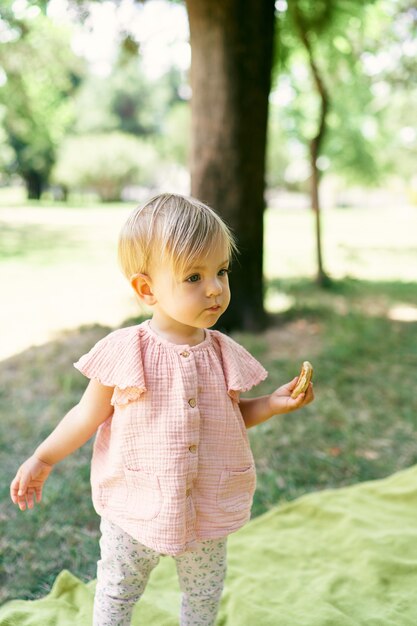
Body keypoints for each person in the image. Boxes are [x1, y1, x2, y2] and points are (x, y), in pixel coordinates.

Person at [10, 193, 314, 626]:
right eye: (194, 276)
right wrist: (43, 457)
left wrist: (271, 404)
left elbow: (228, 420)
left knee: (204, 593)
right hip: (135, 505)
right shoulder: (126, 352)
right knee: (118, 589)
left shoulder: (223, 353)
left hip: (205, 506)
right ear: (146, 288)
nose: (215, 288)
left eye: (221, 271)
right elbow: (86, 415)